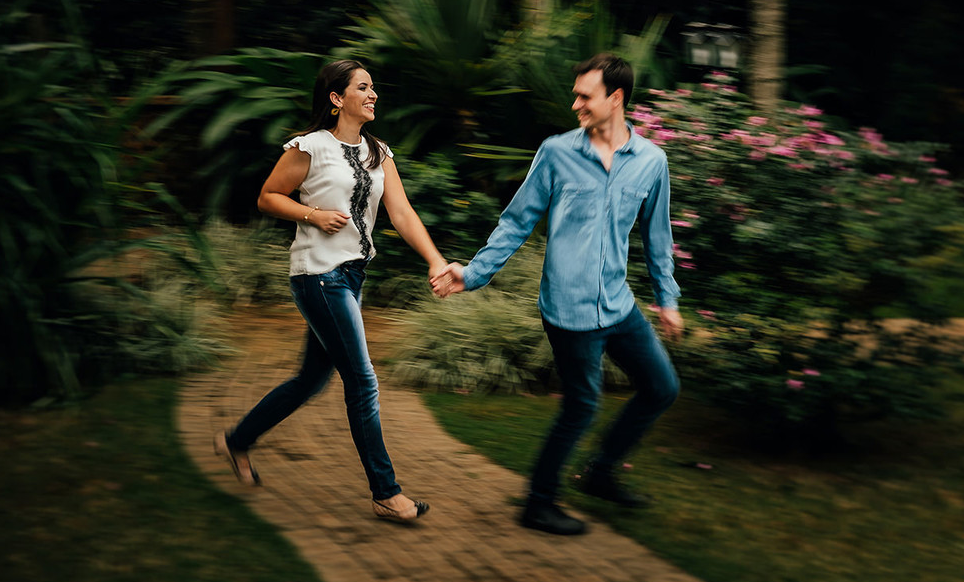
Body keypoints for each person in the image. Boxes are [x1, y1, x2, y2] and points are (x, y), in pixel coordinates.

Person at [431, 53, 683, 536]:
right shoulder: (556, 152)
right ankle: (538, 503)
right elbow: (517, 220)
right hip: (568, 310)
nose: (575, 105)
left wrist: (667, 300)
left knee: (662, 388)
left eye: (585, 96)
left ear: (616, 98)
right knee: (582, 406)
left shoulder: (652, 161)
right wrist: (474, 273)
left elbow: (657, 238)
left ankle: (601, 473)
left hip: (618, 303)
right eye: (576, 95)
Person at [215, 59, 446, 523]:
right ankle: (386, 492)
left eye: (374, 87)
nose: (373, 94)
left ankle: (237, 440)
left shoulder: (379, 152)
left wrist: (435, 260)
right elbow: (268, 196)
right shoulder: (311, 147)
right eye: (363, 87)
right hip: (318, 274)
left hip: (351, 276)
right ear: (337, 99)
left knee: (311, 380)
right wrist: (313, 215)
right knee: (362, 381)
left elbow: (401, 213)